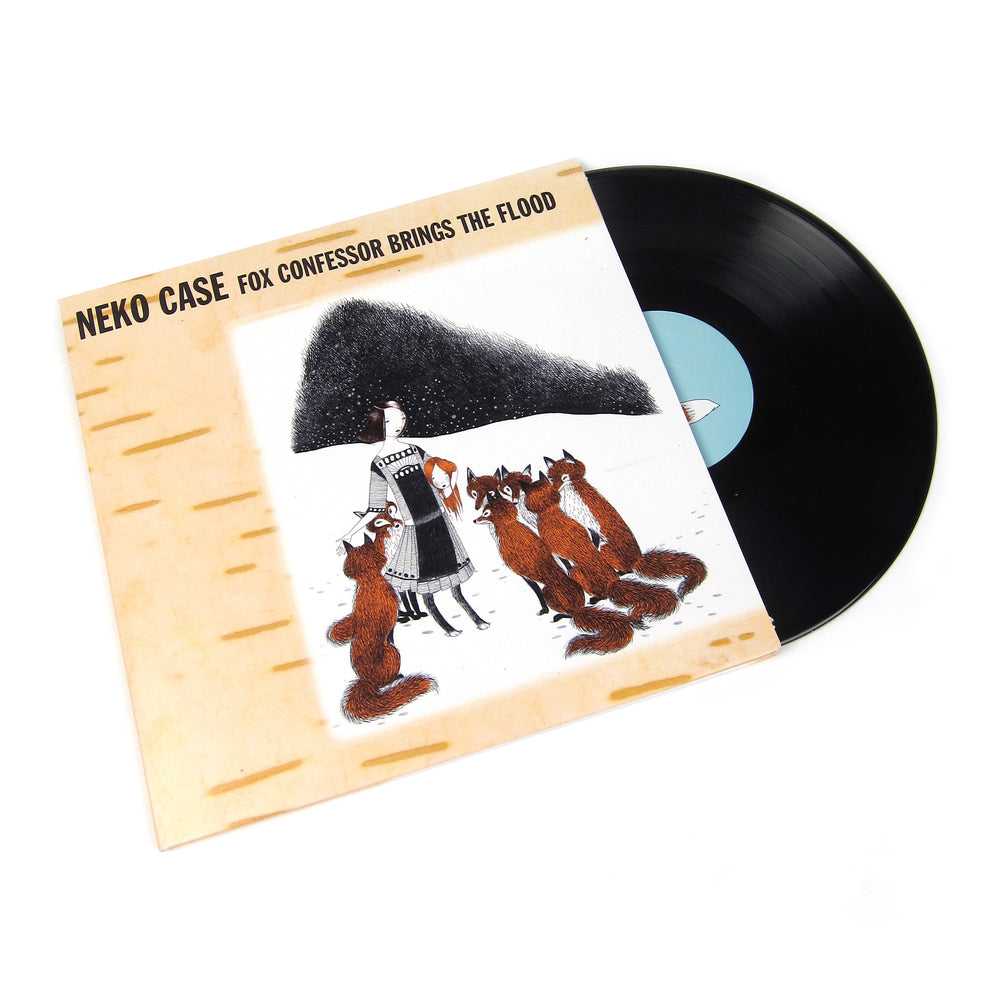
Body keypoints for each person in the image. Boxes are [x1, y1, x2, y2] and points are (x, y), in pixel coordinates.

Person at [337, 401, 488, 636]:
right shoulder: (379, 464)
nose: (397, 425)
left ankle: (475, 617)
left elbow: (440, 470)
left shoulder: (415, 450)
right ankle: (446, 625)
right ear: (378, 423)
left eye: (400, 418)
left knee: (454, 580)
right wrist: (349, 533)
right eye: (389, 420)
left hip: (439, 521)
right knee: (427, 586)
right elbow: (375, 507)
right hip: (415, 529)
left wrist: (447, 485)